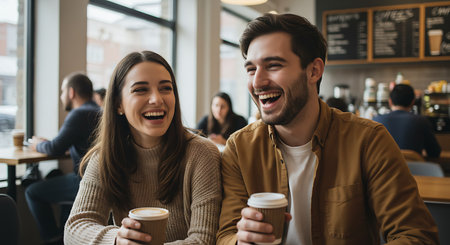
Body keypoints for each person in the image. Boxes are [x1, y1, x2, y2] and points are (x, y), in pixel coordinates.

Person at [216, 13, 438, 245]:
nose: (257, 82)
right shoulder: (239, 148)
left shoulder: (368, 141)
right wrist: (241, 241)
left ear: (314, 71)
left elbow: (416, 235)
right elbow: (225, 235)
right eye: (251, 69)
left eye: (273, 65)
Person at [64, 51, 222, 244]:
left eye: (166, 88)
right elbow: (74, 229)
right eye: (140, 90)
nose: (156, 99)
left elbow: (203, 240)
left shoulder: (202, 153)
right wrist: (116, 239)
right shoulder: (105, 157)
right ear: (118, 105)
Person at [26, 72, 101, 245]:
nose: (61, 96)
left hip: (85, 181)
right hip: (101, 179)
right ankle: (65, 236)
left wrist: (37, 144)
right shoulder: (98, 111)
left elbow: (54, 147)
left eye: (62, 91)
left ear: (71, 93)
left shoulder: (78, 114)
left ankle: (53, 239)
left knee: (32, 192)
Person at [373, 84, 441, 158]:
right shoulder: (421, 121)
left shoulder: (376, 121)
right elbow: (434, 152)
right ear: (413, 102)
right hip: (416, 169)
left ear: (390, 101)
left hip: (385, 169)